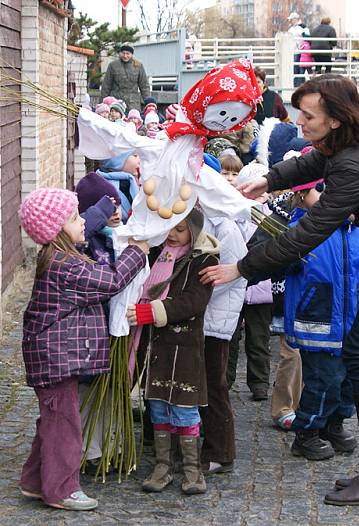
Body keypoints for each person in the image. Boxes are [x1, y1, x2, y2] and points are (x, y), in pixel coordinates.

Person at [199, 75, 359, 506]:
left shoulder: (356, 163)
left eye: (308, 116)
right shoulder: (356, 132)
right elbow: (315, 161)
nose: (300, 121)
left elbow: (309, 232)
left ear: (334, 119)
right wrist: (269, 180)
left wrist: (243, 267)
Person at [18, 188, 148, 511]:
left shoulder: (55, 251)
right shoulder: (68, 267)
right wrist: (137, 251)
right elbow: (112, 281)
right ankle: (61, 489)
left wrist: (104, 208)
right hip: (55, 359)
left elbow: (81, 226)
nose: (82, 223)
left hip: (51, 356)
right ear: (59, 228)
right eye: (75, 218)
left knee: (52, 420)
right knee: (64, 425)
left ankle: (35, 481)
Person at [127, 208, 219, 495]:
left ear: (193, 231)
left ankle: (192, 470)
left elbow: (193, 302)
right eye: (169, 227)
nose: (172, 234)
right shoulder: (157, 255)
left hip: (184, 346)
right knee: (157, 405)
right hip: (155, 345)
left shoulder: (204, 260)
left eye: (180, 229)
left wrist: (151, 312)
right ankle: (162, 465)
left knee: (184, 408)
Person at [285, 179, 359, 461]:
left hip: (353, 325)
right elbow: (281, 263)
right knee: (324, 381)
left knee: (348, 381)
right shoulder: (303, 230)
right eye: (322, 190)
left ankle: (333, 425)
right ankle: (307, 431)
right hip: (318, 323)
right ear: (302, 194)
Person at [199, 199, 247, 475]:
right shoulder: (204, 219)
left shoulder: (226, 227)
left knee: (214, 385)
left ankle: (221, 451)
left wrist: (192, 297)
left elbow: (233, 273)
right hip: (202, 314)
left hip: (215, 318)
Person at [227, 162, 275, 402]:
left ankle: (259, 383)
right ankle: (225, 379)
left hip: (260, 287)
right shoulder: (233, 213)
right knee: (230, 336)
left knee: (259, 338)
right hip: (234, 284)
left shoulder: (273, 216)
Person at [75, 172, 122, 265]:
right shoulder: (85, 240)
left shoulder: (124, 230)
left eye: (117, 205)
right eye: (109, 208)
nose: (116, 212)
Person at [100, 44, 151, 112]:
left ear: (132, 54)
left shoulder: (138, 66)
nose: (125, 56)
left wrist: (149, 104)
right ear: (120, 53)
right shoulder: (113, 65)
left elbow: (144, 86)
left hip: (133, 104)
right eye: (123, 53)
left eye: (128, 53)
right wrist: (101, 103)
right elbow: (106, 86)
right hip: (116, 103)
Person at [97, 151, 140, 222]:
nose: (139, 160)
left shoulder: (132, 181)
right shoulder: (104, 187)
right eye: (135, 155)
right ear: (116, 161)